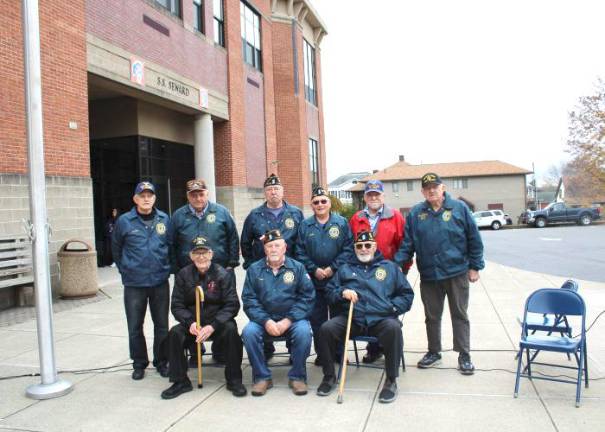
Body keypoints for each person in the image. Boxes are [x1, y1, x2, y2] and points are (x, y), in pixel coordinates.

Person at [394, 173, 484, 375]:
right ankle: (434, 352)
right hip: (429, 275)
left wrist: (475, 266)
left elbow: (474, 239)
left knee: (459, 315)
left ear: (442, 188)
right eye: (427, 188)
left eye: (435, 187)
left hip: (456, 273)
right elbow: (407, 243)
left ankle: (464, 355)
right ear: (422, 192)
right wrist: (396, 265)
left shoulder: (459, 209)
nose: (431, 190)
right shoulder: (417, 213)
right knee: (432, 317)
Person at [316, 231, 414, 403]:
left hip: (381, 318)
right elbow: (330, 292)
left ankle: (391, 380)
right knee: (326, 329)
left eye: (367, 245)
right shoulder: (345, 268)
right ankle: (329, 376)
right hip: (353, 318)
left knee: (393, 328)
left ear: (374, 247)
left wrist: (390, 308)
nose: (363, 249)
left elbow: (406, 295)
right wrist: (342, 292)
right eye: (359, 246)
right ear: (354, 249)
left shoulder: (389, 268)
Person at [160, 236, 246, 399]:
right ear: (191, 256)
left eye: (204, 252)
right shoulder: (183, 275)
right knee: (174, 334)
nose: (201, 257)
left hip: (217, 324)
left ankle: (234, 379)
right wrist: (190, 322)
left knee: (231, 331)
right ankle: (180, 381)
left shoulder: (222, 274)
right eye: (197, 253)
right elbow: (177, 305)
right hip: (193, 324)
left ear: (211, 254)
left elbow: (232, 305)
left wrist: (213, 325)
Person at [169, 178, 240, 364]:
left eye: (201, 194)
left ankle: (219, 351)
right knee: (194, 309)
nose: (198, 198)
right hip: (190, 273)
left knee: (220, 307)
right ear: (188, 196)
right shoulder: (178, 216)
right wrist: (177, 270)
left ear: (207, 194)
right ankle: (195, 351)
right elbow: (171, 243)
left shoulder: (221, 212)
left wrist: (231, 264)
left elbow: (233, 237)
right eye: (194, 195)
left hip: (221, 271)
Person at [241, 229, 315, 396]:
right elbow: (249, 300)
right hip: (264, 320)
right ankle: (262, 377)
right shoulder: (254, 270)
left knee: (304, 332)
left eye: (277, 245)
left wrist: (287, 320)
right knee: (249, 332)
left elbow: (307, 298)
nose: (273, 249)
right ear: (264, 249)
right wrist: (266, 321)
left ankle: (297, 376)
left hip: (292, 319)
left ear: (285, 248)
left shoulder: (298, 268)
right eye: (269, 246)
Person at [240, 173, 304, 359]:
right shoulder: (254, 215)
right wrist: (252, 265)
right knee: (263, 307)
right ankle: (266, 349)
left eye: (276, 189)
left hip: (290, 272)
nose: (273, 192)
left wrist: (299, 266)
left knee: (290, 308)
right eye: (269, 189)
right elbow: (245, 242)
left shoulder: (295, 213)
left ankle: (294, 351)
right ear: (265, 193)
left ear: (282, 191)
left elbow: (301, 242)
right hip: (263, 272)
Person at [112, 182, 170, 380]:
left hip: (159, 281)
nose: (146, 199)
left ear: (154, 198)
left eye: (150, 195)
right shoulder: (124, 221)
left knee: (162, 325)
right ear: (135, 199)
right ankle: (139, 363)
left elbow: (170, 245)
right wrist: (125, 269)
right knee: (135, 326)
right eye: (142, 195)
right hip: (134, 283)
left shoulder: (164, 219)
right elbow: (116, 249)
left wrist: (166, 267)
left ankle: (162, 361)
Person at [349, 179, 408, 363]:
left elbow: (405, 244)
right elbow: (350, 246)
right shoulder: (357, 218)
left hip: (388, 274)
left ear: (383, 196)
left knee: (388, 314)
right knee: (367, 308)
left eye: (377, 194)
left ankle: (391, 350)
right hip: (363, 272)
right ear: (365, 197)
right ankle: (373, 350)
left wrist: (399, 268)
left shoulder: (396, 216)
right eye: (370, 194)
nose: (373, 197)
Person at [295, 186, 352, 365]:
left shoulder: (341, 223)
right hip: (314, 281)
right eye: (316, 202)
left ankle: (340, 353)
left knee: (338, 318)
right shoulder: (305, 225)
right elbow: (299, 251)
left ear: (329, 203)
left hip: (336, 281)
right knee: (317, 321)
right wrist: (314, 269)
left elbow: (348, 249)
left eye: (323, 201)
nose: (320, 204)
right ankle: (323, 354)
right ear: (312, 205)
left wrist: (331, 268)